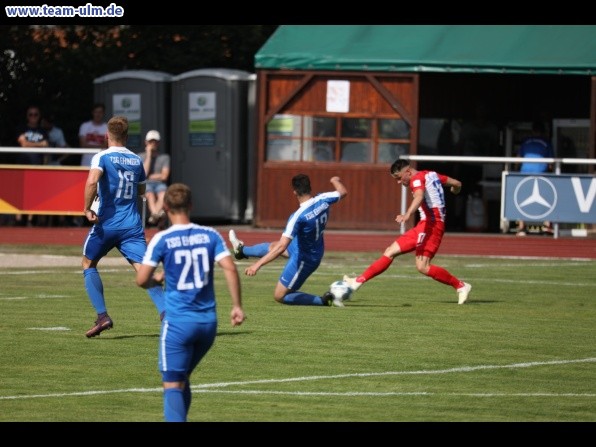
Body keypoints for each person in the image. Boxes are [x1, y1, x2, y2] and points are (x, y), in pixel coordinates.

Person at [136, 183, 245, 422]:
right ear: (191, 206)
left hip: (178, 323)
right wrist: (237, 306)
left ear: (165, 207)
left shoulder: (162, 239)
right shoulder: (210, 235)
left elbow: (141, 279)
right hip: (208, 324)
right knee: (181, 378)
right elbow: (229, 267)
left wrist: (155, 281)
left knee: (173, 384)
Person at [343, 159, 472, 305]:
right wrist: (454, 191)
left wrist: (407, 214)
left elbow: (419, 196)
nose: (398, 182)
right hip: (424, 225)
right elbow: (457, 184)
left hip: (432, 225)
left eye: (399, 177)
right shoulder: (431, 174)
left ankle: (461, 286)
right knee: (390, 251)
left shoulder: (416, 179)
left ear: (408, 172)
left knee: (422, 266)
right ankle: (357, 282)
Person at [82, 115, 165, 338]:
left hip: (107, 223)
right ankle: (167, 312)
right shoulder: (137, 161)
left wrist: (87, 207)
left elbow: (91, 181)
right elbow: (141, 193)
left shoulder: (102, 157)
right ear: (126, 137)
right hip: (131, 226)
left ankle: (102, 316)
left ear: (107, 135)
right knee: (144, 270)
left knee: (89, 263)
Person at [228, 174, 348, 307]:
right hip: (305, 246)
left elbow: (282, 247)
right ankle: (241, 250)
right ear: (309, 187)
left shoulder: (298, 216)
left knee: (279, 295)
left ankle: (323, 301)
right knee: (273, 246)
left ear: (295, 192)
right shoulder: (324, 199)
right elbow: (342, 192)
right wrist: (335, 180)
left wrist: (257, 265)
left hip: (305, 258)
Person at [515, 120, 554, 237]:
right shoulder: (547, 142)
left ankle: (522, 227)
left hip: (524, 173)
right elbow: (551, 163)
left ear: (532, 131)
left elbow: (518, 158)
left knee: (520, 198)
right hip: (541, 173)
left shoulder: (526, 141)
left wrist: (515, 170)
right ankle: (547, 225)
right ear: (543, 132)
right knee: (547, 198)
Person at [15, 105, 49, 226]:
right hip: (22, 165)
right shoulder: (22, 128)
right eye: (31, 114)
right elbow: (23, 144)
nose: (33, 117)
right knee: (20, 193)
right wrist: (39, 144)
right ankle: (18, 220)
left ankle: (30, 220)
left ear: (39, 116)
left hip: (37, 166)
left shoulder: (43, 131)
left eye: (36, 114)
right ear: (27, 116)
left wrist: (45, 166)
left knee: (33, 194)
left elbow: (46, 146)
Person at [138, 130, 170, 227]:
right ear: (146, 143)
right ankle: (157, 215)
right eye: (150, 142)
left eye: (155, 141)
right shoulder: (140, 156)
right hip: (146, 184)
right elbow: (144, 174)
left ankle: (154, 215)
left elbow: (164, 176)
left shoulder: (164, 157)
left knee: (163, 194)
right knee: (150, 195)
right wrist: (148, 155)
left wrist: (149, 176)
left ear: (158, 143)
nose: (153, 144)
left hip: (159, 184)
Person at [79, 102, 108, 167]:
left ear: (103, 113)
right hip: (86, 163)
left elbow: (106, 145)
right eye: (96, 112)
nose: (98, 114)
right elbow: (82, 144)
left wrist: (89, 145)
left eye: (100, 112)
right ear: (92, 113)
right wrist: (100, 146)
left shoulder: (107, 127)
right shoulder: (84, 126)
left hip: (101, 163)